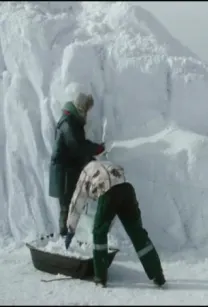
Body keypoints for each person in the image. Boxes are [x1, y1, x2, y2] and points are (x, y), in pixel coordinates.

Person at [64, 160, 166, 288]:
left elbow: (76, 203)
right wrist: (106, 224)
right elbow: (115, 203)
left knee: (98, 232)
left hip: (108, 191)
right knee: (137, 232)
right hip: (127, 190)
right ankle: (158, 275)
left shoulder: (85, 174)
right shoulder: (105, 163)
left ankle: (100, 278)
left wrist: (70, 229)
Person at [48, 92, 105, 236]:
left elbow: (75, 150)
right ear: (80, 109)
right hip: (64, 171)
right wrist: (96, 149)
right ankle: (64, 237)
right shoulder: (68, 123)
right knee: (66, 205)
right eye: (86, 110)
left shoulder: (71, 121)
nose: (86, 114)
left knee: (69, 204)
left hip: (68, 169)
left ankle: (67, 236)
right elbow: (77, 146)